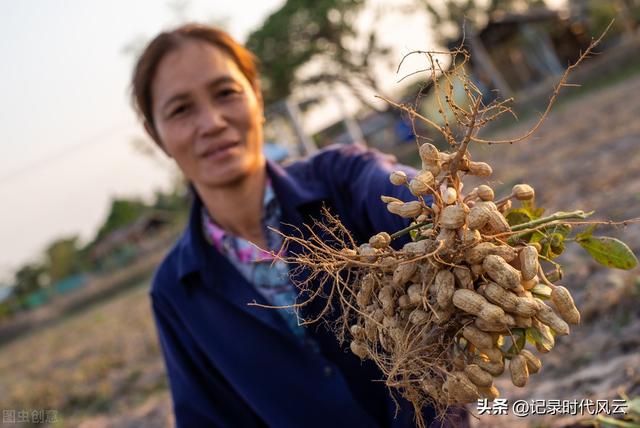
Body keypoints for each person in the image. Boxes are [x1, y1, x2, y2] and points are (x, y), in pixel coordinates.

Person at [131, 23, 469, 428]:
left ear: (256, 98)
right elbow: (207, 417)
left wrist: (438, 208)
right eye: (181, 110)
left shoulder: (341, 178)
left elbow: (399, 193)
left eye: (226, 93)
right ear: (157, 135)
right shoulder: (176, 290)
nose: (213, 122)